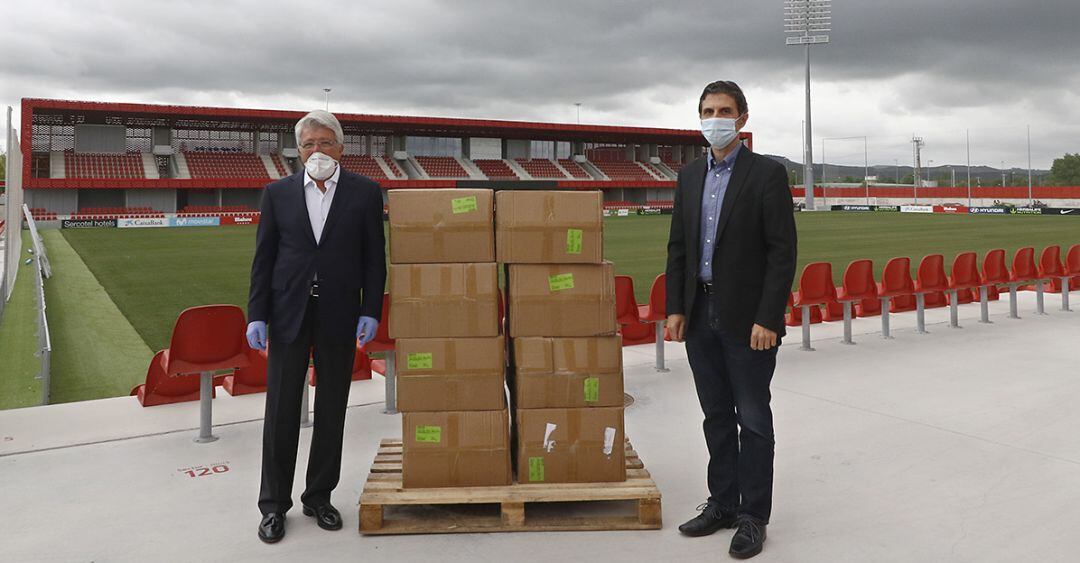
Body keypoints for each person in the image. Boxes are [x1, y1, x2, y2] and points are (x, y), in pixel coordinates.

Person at [665, 81, 797, 559]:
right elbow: (678, 247)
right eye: (707, 111)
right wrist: (676, 308)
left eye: (724, 110)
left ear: (742, 119)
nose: (715, 118)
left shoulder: (766, 175)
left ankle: (752, 516)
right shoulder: (688, 176)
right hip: (700, 314)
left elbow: (782, 253)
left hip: (748, 321)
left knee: (753, 419)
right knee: (716, 415)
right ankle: (722, 503)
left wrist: (769, 318)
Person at [246, 110, 386, 544]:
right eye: (308, 144)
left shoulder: (366, 192)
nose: (317, 151)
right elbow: (264, 258)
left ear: (341, 147)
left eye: (325, 142)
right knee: (281, 411)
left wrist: (371, 309)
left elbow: (374, 258)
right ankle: (273, 505)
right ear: (298, 150)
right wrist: (256, 313)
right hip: (288, 312)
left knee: (331, 408)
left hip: (340, 314)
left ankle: (319, 496)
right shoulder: (277, 193)